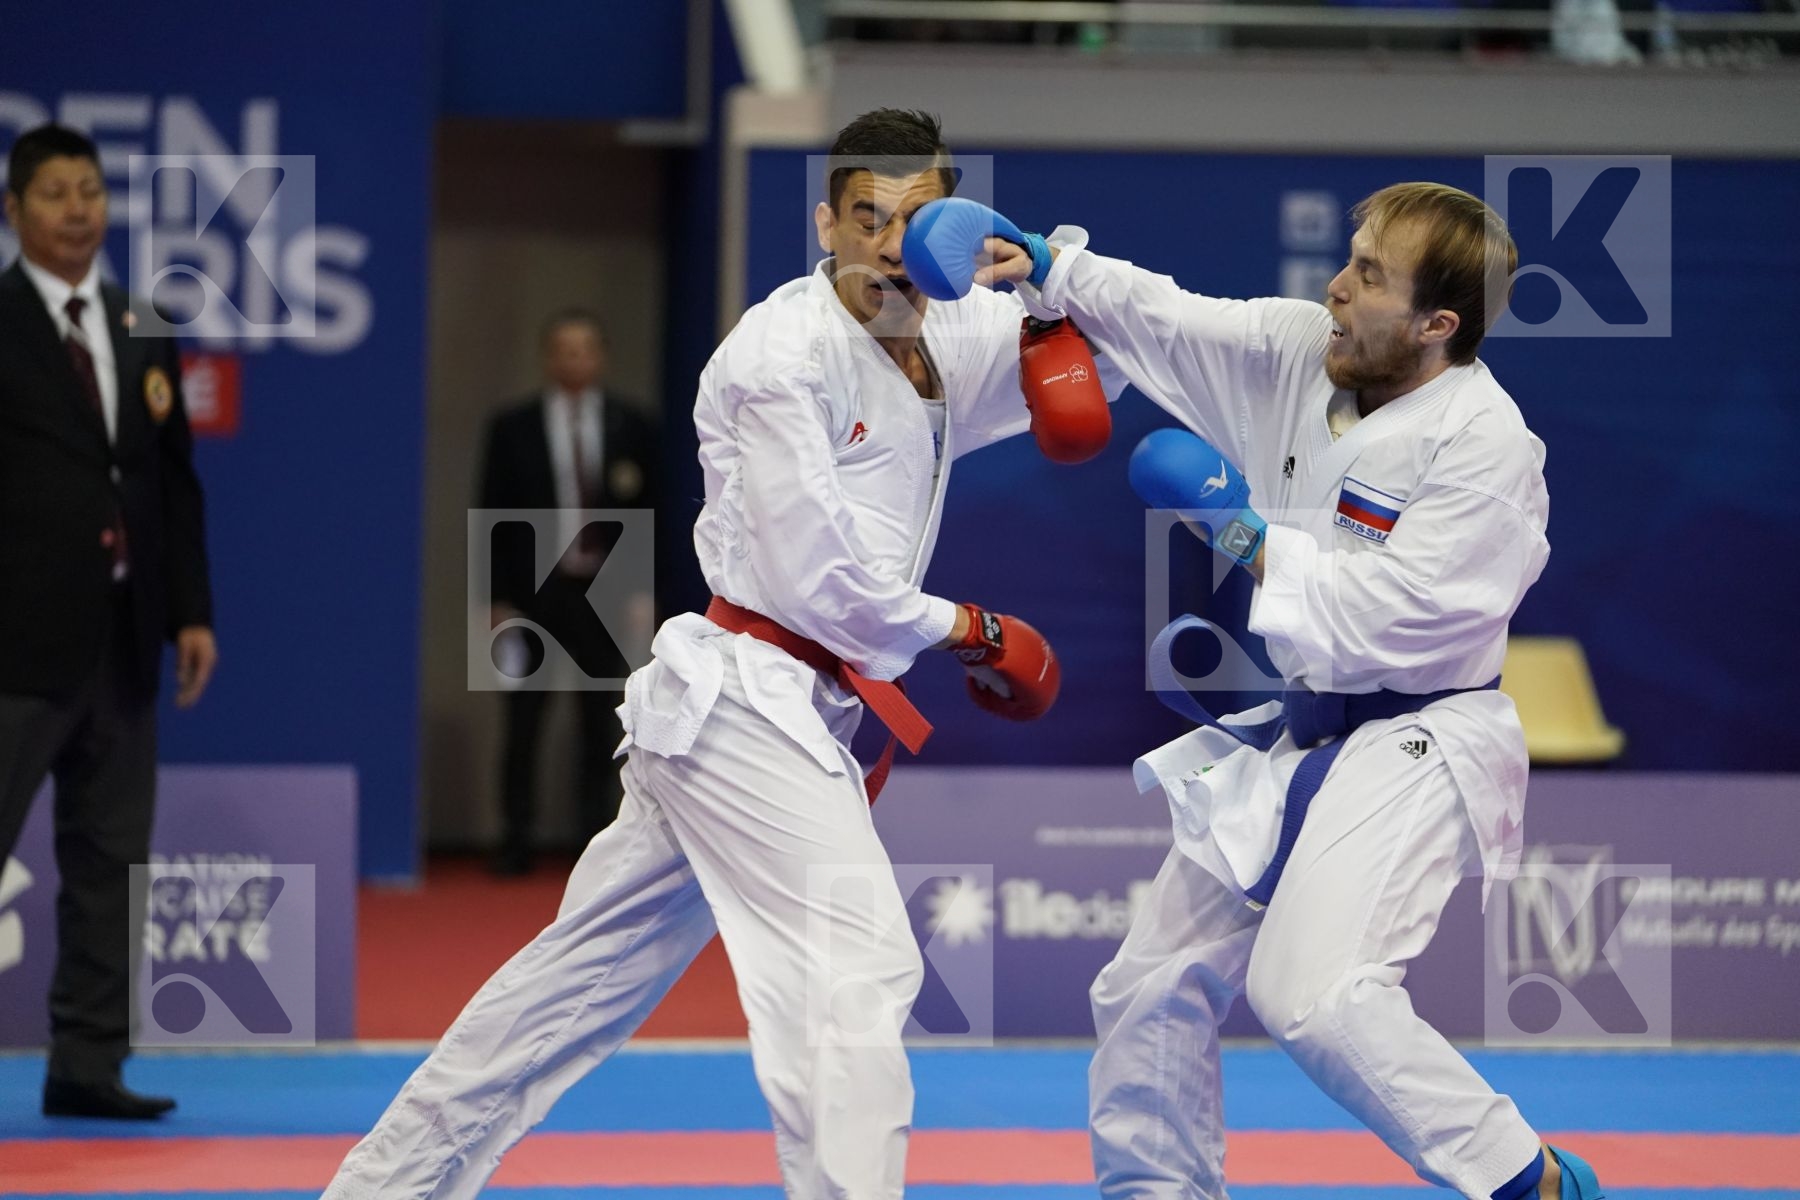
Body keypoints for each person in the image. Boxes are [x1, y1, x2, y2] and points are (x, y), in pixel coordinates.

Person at [322, 108, 1115, 1200]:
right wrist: (970, 627)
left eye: (919, 219)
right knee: (859, 962)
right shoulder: (776, 358)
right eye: (869, 219)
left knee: (569, 990)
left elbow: (1086, 376)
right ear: (825, 222)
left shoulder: (951, 328)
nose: (893, 245)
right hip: (746, 695)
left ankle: (375, 1190)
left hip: (787, 712)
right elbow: (820, 584)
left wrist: (1044, 284)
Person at [941, 185, 1603, 1198]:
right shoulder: (1303, 347)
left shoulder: (1485, 447)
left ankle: (1534, 1181)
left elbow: (1395, 617)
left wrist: (1245, 537)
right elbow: (1168, 315)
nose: (1337, 285)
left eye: (1371, 275)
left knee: (1317, 995)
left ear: (1437, 325)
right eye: (1352, 257)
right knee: (1145, 986)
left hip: (1416, 737)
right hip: (1298, 729)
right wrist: (1047, 264)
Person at [0, 124, 216, 1120]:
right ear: (14, 211)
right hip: (14, 643)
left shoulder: (141, 322)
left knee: (111, 865)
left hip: (124, 638)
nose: (79, 209)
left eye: (90, 190)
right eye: (55, 192)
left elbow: (171, 484)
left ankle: (87, 1063)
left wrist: (191, 613)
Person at [478, 309, 659, 876]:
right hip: (533, 593)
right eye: (564, 349)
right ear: (548, 357)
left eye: (585, 349)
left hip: (605, 594)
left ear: (600, 356)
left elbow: (652, 510)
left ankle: (594, 840)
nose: (574, 359)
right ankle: (515, 840)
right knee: (524, 720)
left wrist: (642, 590)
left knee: (602, 722)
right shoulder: (513, 426)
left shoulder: (634, 424)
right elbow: (492, 513)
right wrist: (496, 598)